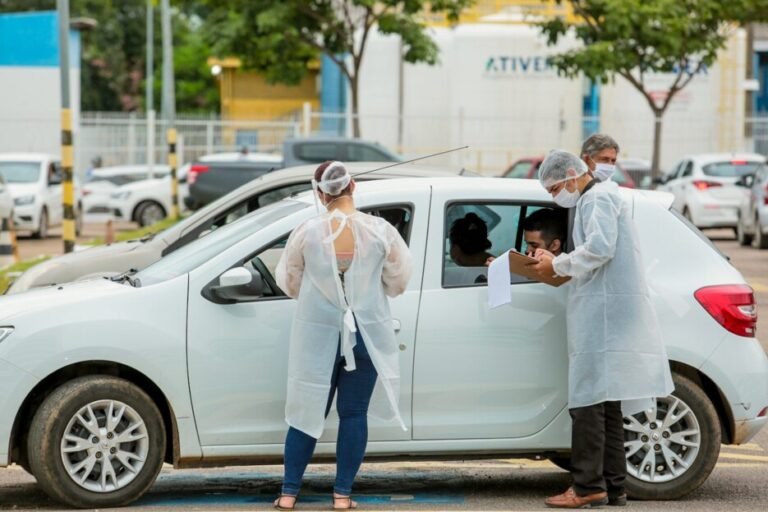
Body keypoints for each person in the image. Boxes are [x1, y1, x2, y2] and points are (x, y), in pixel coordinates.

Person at [530, 150, 674, 509]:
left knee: (587, 403)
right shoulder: (600, 197)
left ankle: (586, 486)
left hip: (604, 317)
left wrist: (556, 263)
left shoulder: (596, 199)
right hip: (606, 313)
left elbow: (599, 248)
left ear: (570, 175)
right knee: (607, 404)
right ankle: (614, 487)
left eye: (554, 189)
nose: (555, 197)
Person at [274, 161, 412, 511]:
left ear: (320, 193)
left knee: (306, 411)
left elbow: (289, 282)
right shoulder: (381, 231)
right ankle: (342, 496)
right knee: (353, 414)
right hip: (365, 333)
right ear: (353, 187)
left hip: (317, 335)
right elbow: (398, 283)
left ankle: (289, 494)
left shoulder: (306, 232)